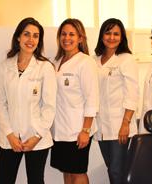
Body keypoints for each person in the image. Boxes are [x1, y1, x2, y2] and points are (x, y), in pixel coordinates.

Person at [0, 17, 57, 184]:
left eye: (36, 36)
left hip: (37, 137)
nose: (31, 40)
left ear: (39, 40)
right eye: (26, 34)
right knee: (4, 180)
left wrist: (37, 136)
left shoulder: (45, 68)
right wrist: (10, 134)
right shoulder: (5, 66)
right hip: (10, 137)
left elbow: (50, 107)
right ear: (18, 37)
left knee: (36, 181)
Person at [50, 18, 99, 184]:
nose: (67, 38)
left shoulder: (86, 62)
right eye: (63, 34)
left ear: (80, 38)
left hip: (78, 129)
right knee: (67, 171)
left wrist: (85, 130)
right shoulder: (57, 62)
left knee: (77, 172)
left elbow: (92, 98)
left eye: (72, 34)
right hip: (60, 129)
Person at [93, 18, 139, 184]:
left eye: (116, 34)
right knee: (111, 168)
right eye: (108, 32)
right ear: (102, 35)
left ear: (122, 37)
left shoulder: (126, 59)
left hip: (120, 124)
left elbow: (132, 93)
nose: (111, 37)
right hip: (101, 125)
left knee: (117, 170)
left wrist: (125, 123)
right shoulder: (95, 59)